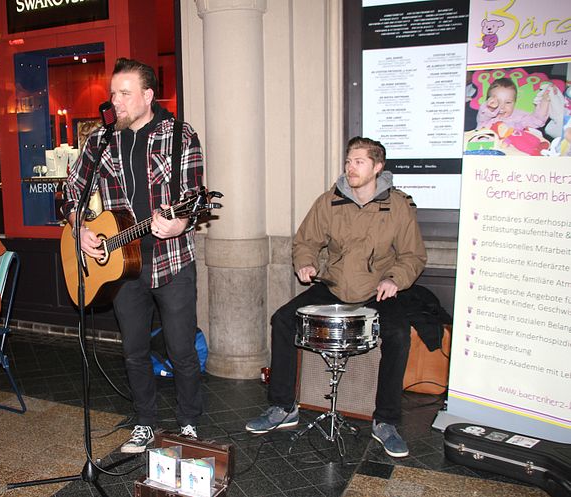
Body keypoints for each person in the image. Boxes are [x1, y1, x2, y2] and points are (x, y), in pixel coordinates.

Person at [245, 137, 427, 458]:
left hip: (376, 291)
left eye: (359, 161)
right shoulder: (330, 201)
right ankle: (283, 407)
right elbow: (305, 241)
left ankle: (385, 421)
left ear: (377, 167)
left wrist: (394, 279)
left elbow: (413, 255)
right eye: (348, 161)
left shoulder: (398, 206)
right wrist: (304, 261)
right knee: (283, 320)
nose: (350, 167)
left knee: (398, 334)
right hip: (333, 285)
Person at [63, 58, 204, 454]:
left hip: (171, 261)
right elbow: (70, 192)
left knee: (180, 350)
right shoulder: (100, 140)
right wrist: (80, 227)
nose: (116, 101)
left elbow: (194, 197)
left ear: (148, 95)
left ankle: (189, 422)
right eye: (113, 93)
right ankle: (145, 422)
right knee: (134, 351)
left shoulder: (179, 136)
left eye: (125, 93)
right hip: (121, 266)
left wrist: (182, 223)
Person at [476, 77, 550, 131]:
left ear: (514, 103)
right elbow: (484, 114)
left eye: (508, 102)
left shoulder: (518, 117)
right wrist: (491, 108)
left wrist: (544, 102)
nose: (502, 107)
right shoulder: (485, 118)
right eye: (496, 102)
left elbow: (536, 120)